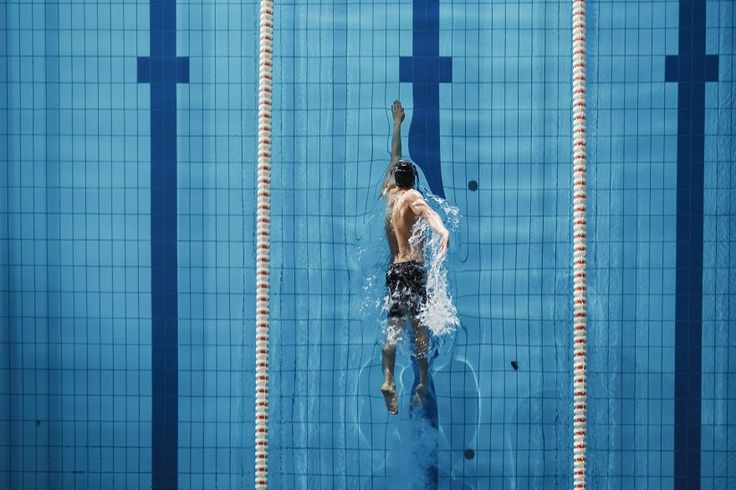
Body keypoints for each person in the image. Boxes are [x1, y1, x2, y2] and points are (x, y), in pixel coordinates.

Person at [380, 100, 449, 415]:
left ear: (395, 179)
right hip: (412, 270)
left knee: (394, 327)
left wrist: (397, 124)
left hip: (394, 271)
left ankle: (388, 378)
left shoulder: (390, 195)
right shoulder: (412, 196)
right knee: (419, 329)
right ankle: (421, 380)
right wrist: (442, 231)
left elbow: (394, 156)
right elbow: (430, 213)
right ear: (413, 182)